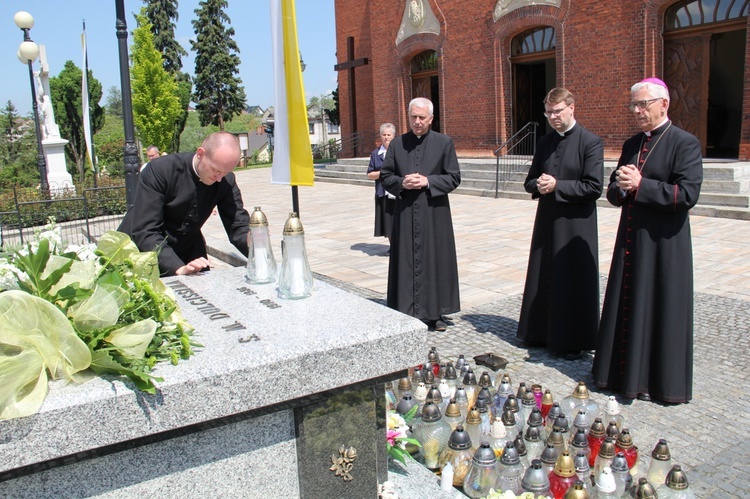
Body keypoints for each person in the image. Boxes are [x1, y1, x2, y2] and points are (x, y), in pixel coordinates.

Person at [593, 78, 703, 404]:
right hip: (632, 239)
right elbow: (613, 191)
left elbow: (687, 194)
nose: (637, 111)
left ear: (663, 104)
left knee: (659, 306)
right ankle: (620, 376)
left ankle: (658, 383)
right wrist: (622, 188)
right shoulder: (631, 144)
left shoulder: (685, 143)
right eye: (634, 105)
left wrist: (642, 185)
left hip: (665, 244)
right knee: (627, 303)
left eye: (643, 105)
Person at [516, 88, 604, 359]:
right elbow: (529, 180)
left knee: (571, 279)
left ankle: (572, 340)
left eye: (558, 111)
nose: (553, 117)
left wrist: (558, 186)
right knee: (544, 275)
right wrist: (539, 186)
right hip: (547, 220)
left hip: (576, 224)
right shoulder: (544, 142)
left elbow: (594, 186)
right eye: (549, 112)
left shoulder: (591, 142)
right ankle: (540, 332)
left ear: (572, 108)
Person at [119, 131, 250, 276]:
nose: (219, 178)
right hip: (142, 251)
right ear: (200, 154)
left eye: (225, 172)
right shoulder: (161, 170)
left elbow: (238, 226)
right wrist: (177, 268)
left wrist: (255, 242)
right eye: (215, 170)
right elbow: (145, 230)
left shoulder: (226, 181)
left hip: (189, 248)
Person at [380, 97, 461, 332]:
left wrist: (427, 181)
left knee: (434, 259)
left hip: (434, 213)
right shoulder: (396, 144)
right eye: (413, 117)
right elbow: (386, 176)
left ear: (431, 119)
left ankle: (435, 313)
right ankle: (405, 309)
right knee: (406, 258)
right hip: (405, 212)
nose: (417, 122)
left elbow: (454, 177)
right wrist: (402, 182)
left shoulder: (444, 143)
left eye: (422, 117)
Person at [367, 123, 396, 252]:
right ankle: (393, 247)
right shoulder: (375, 154)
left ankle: (402, 246)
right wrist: (382, 173)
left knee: (398, 220)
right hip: (382, 192)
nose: (386, 137)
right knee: (387, 222)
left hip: (397, 192)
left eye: (388, 135)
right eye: (384, 135)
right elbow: (370, 174)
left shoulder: (399, 152)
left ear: (393, 136)